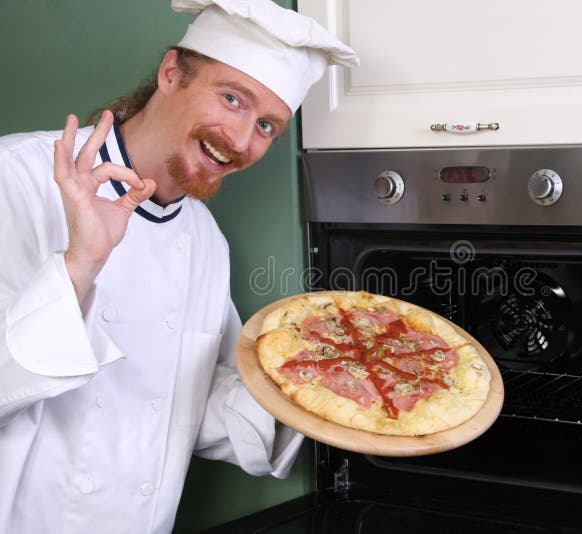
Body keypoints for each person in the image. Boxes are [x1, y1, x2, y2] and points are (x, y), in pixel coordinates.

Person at [0, 0, 358, 532]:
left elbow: (177, 399)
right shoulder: (18, 178)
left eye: (266, 125)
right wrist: (81, 263)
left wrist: (322, 384)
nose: (240, 140)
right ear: (171, 74)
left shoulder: (205, 239)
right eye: (232, 98)